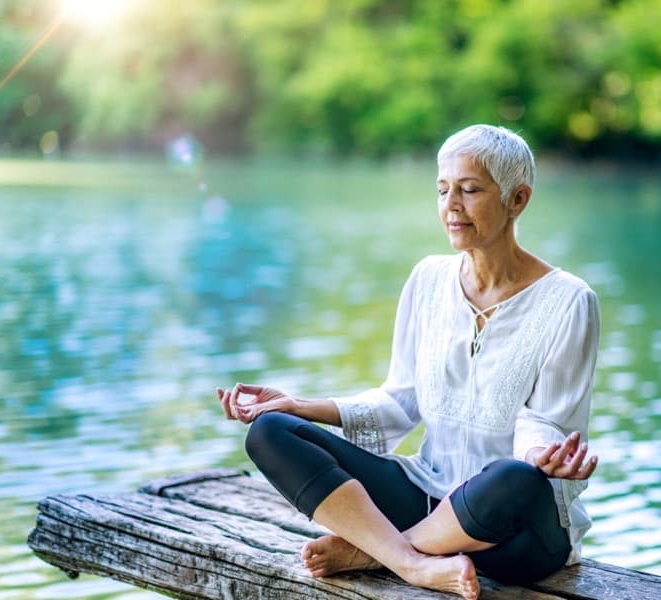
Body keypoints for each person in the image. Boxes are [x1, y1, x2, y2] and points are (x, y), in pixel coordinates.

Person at [217, 124, 600, 599]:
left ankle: (372, 552)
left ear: (517, 199)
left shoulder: (568, 301)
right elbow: (400, 403)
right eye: (442, 190)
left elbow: (544, 422)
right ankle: (411, 562)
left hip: (515, 530)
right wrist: (299, 406)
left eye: (470, 190)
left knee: (514, 477)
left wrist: (544, 456)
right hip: (425, 495)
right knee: (271, 433)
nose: (451, 205)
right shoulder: (428, 280)